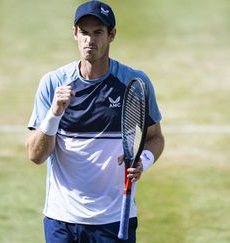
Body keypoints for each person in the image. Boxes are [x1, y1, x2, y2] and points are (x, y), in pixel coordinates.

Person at [26, 1, 164, 242]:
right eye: (84, 32)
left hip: (114, 220)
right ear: (75, 34)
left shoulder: (134, 83)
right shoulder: (53, 83)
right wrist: (55, 112)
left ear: (111, 35)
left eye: (98, 32)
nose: (90, 39)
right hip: (62, 220)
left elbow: (155, 137)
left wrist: (144, 160)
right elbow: (36, 155)